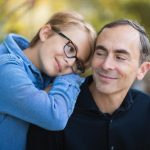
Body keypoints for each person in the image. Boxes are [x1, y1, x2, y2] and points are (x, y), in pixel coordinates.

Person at [27, 19, 150, 150]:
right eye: (100, 53)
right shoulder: (55, 107)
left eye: (120, 57)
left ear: (142, 70)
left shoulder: (146, 110)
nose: (106, 65)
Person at [0, 11, 96, 150]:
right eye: (70, 49)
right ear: (46, 33)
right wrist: (69, 79)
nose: (70, 63)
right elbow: (55, 117)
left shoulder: (49, 78)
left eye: (78, 64)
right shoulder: (4, 67)